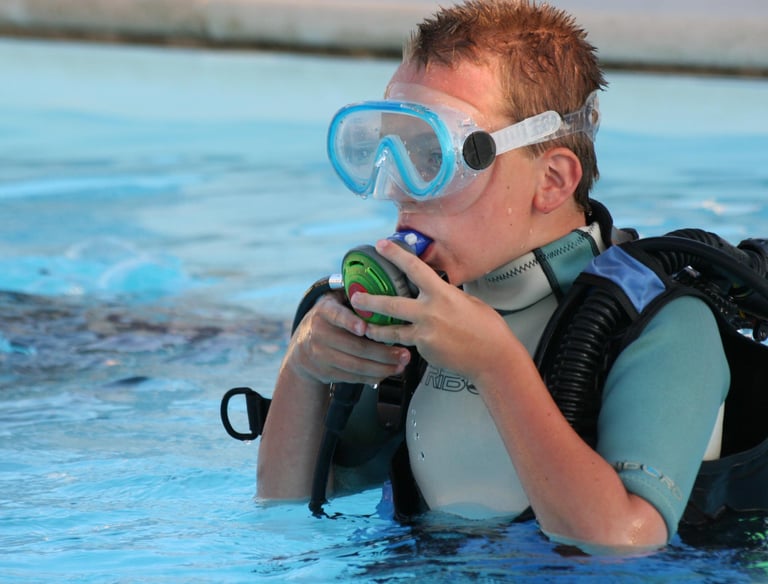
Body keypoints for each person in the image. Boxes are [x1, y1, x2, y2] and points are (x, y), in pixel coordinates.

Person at [256, 0, 729, 552]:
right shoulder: (421, 314)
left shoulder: (663, 328)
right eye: (390, 150)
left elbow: (625, 543)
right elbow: (287, 508)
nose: (400, 187)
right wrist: (304, 369)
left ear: (552, 181)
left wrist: (496, 366)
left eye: (438, 158)